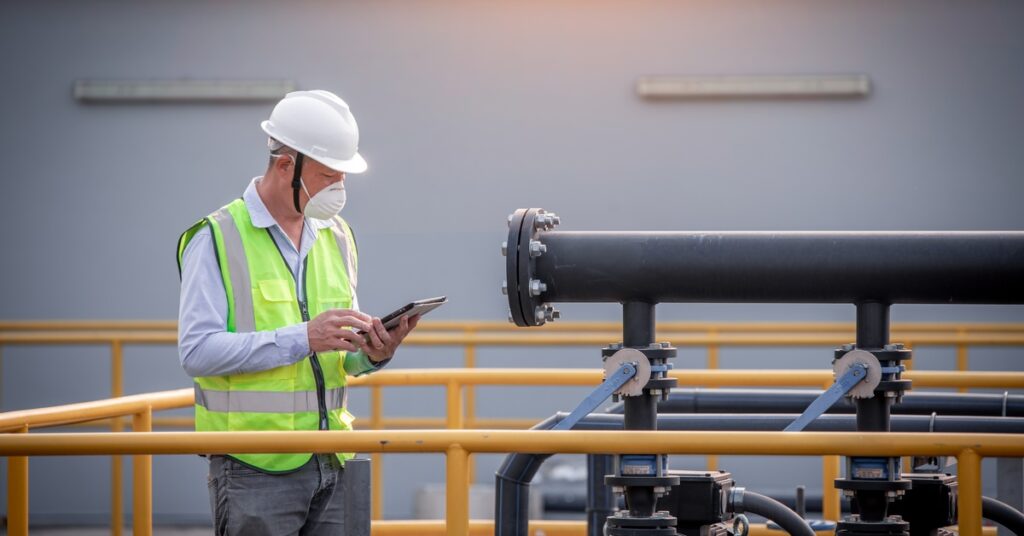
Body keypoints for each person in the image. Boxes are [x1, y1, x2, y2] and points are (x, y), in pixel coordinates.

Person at [176, 89, 417, 535]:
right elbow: (197, 353)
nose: (339, 189)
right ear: (286, 164)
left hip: (334, 459)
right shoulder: (216, 238)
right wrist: (303, 337)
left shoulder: (337, 236)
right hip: (255, 468)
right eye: (328, 176)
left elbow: (339, 355)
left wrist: (375, 352)